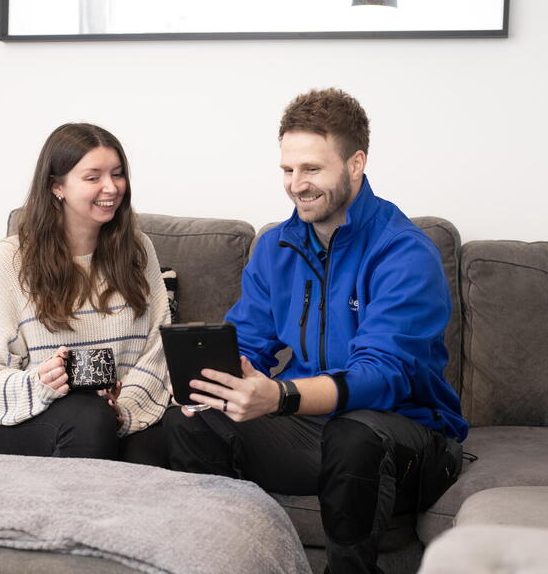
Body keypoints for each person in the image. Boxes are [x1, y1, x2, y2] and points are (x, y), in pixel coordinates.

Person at [163, 88, 468, 574]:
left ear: (355, 163)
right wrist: (220, 384)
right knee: (192, 421)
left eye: (311, 169)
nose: (296, 184)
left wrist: (279, 396)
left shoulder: (404, 252)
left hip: (410, 440)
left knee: (355, 435)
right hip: (314, 432)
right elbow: (248, 343)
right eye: (287, 170)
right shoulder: (276, 248)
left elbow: (381, 376)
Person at [0, 122, 171, 461]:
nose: (111, 187)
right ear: (57, 186)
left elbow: (158, 347)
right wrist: (42, 382)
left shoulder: (138, 250)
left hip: (114, 410)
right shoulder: (10, 259)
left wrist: (125, 409)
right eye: (93, 178)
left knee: (158, 439)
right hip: (23, 413)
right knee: (89, 418)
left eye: (117, 174)